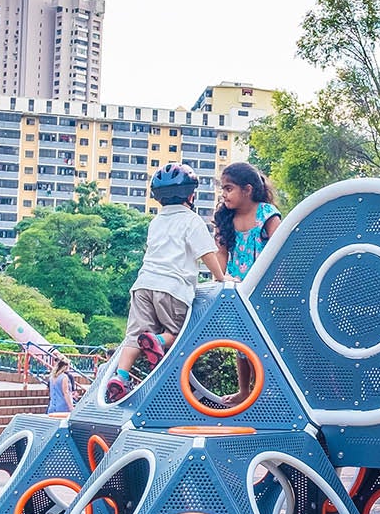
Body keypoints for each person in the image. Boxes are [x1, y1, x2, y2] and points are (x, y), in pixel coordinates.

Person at [104, 164, 229, 403]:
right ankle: (158, 340)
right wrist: (222, 278)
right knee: (179, 332)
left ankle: (120, 377)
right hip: (172, 287)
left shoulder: (156, 221)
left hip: (143, 285)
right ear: (191, 195)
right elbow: (206, 253)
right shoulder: (191, 220)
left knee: (134, 336)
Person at [213, 162, 281, 281]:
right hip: (236, 286)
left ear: (247, 190)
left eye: (229, 189)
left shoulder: (266, 214)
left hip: (264, 283)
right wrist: (219, 281)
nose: (224, 195)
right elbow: (221, 253)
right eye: (223, 189)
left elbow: (280, 249)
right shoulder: (224, 217)